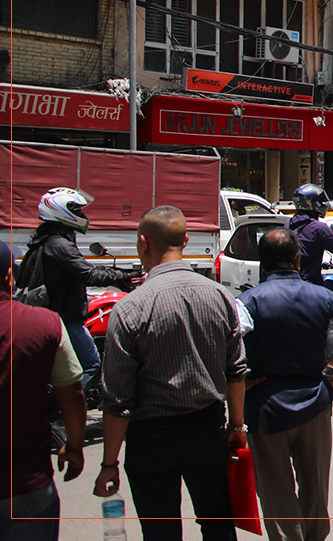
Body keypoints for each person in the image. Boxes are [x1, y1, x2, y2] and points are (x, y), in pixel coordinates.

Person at [94, 206, 247, 541]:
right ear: (187, 241)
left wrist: (109, 463)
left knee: (160, 530)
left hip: (151, 438)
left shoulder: (131, 308)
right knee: (218, 523)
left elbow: (117, 399)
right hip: (208, 429)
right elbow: (236, 371)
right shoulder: (220, 296)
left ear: (143, 244)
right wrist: (236, 425)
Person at [235, 229, 333, 538]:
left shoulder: (247, 301)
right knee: (315, 484)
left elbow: (223, 342)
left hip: (267, 408)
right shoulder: (324, 297)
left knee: (275, 489)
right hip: (316, 402)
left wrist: (240, 381)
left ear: (263, 262)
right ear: (298, 260)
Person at [2, 241, 86, 541]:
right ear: (10, 276)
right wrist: (74, 447)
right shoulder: (44, 323)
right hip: (26, 486)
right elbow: (72, 395)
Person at [19, 187, 136, 390]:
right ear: (62, 212)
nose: (83, 215)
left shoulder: (49, 239)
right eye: (78, 211)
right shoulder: (59, 243)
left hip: (53, 312)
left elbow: (77, 271)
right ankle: (65, 410)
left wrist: (119, 275)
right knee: (91, 365)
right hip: (65, 318)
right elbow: (86, 273)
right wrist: (123, 276)